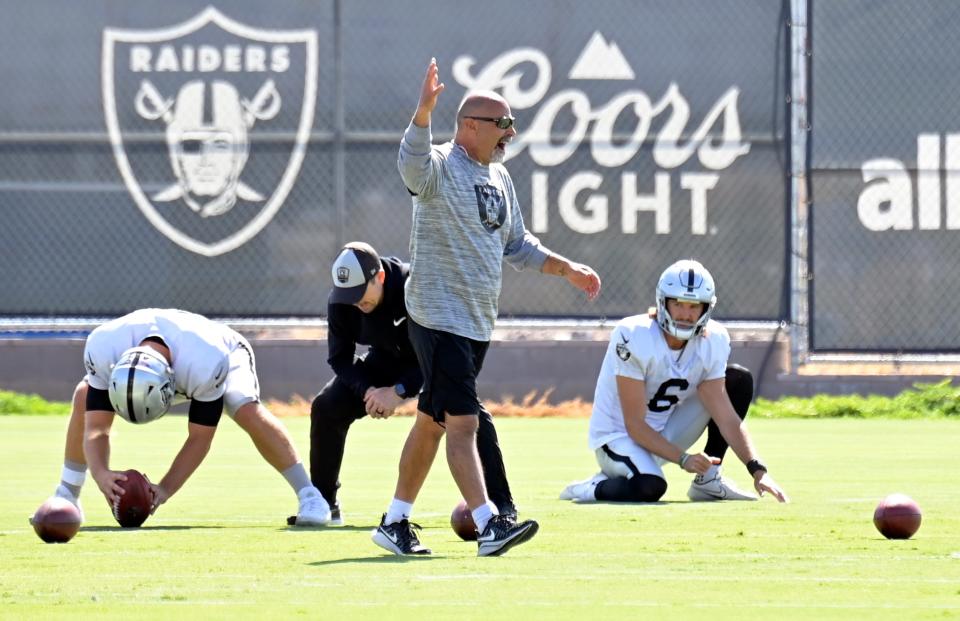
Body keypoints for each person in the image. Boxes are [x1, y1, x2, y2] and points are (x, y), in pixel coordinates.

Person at [373, 57, 602, 557]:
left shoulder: (498, 178)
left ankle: (395, 522)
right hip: (438, 316)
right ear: (470, 126)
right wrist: (423, 112)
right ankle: (488, 523)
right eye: (502, 125)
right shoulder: (438, 166)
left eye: (512, 125)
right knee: (463, 423)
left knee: (432, 423)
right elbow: (410, 164)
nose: (510, 134)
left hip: (475, 322)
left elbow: (517, 244)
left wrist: (568, 269)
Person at [39, 308, 331, 526]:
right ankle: (66, 496)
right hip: (168, 354)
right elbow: (97, 428)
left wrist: (164, 489)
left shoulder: (205, 362)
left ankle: (310, 496)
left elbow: (200, 438)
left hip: (227, 350)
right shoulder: (103, 348)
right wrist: (101, 473)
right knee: (83, 394)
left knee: (242, 406)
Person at [306, 241, 519, 526]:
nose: (356, 302)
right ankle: (323, 502)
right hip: (384, 360)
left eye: (360, 293)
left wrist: (398, 392)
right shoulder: (342, 301)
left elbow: (440, 348)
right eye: (348, 295)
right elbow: (340, 358)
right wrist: (370, 391)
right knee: (326, 406)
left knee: (469, 416)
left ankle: (501, 507)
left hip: (433, 357)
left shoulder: (414, 287)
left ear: (379, 277)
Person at [559, 259, 788, 504]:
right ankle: (590, 488)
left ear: (706, 309)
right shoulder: (633, 334)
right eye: (678, 304)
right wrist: (683, 458)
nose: (686, 315)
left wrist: (757, 470)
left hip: (667, 429)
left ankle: (708, 480)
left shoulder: (715, 338)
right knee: (651, 486)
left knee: (737, 381)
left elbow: (726, 416)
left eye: (693, 307)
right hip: (619, 437)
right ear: (662, 302)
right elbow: (634, 425)